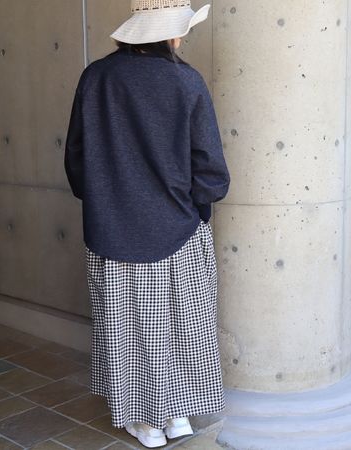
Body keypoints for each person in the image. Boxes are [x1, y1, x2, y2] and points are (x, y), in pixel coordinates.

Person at [64, 1, 230, 447]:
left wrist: (104, 203)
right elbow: (211, 172)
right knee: (182, 326)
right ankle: (176, 414)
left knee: (127, 329)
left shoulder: (95, 78)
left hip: (111, 230)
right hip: (177, 229)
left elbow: (76, 159)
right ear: (170, 33)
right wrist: (197, 211)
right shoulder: (186, 81)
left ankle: (144, 420)